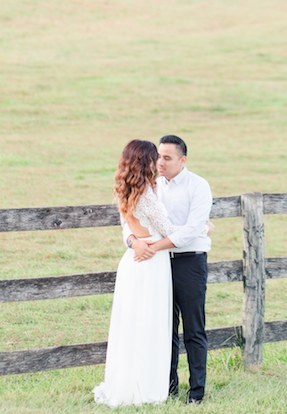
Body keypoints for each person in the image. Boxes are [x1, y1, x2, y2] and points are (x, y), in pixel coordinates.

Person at [93, 139, 178, 407]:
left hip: (133, 262)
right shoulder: (148, 195)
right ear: (147, 162)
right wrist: (203, 228)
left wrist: (134, 242)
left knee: (131, 323)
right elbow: (170, 231)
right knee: (149, 322)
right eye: (155, 158)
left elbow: (126, 229)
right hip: (151, 264)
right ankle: (146, 388)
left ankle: (129, 382)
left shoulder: (123, 189)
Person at [155, 135, 213, 405]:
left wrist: (156, 244)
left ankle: (197, 393)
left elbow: (192, 231)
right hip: (160, 263)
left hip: (190, 261)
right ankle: (168, 387)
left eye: (167, 157)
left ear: (182, 160)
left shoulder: (198, 185)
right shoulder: (152, 186)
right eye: (158, 156)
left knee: (193, 329)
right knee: (166, 328)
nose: (160, 162)